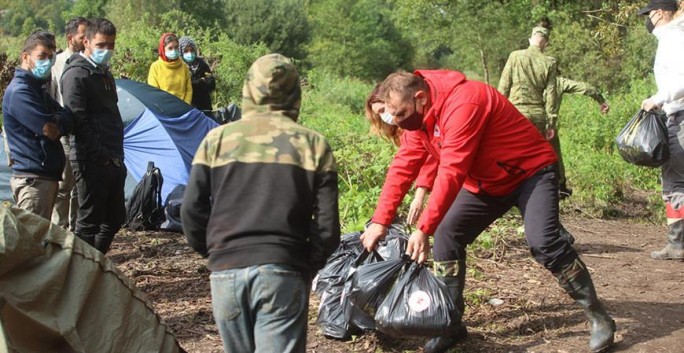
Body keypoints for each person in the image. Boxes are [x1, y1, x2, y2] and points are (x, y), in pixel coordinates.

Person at [361, 71, 615, 353]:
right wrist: (380, 221)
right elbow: (404, 164)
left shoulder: (465, 102)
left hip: (530, 172)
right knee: (448, 236)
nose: (396, 121)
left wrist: (423, 228)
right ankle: (450, 325)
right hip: (487, 182)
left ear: (420, 98)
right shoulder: (418, 118)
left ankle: (597, 314)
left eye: (400, 113)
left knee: (545, 243)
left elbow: (452, 169)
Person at [181, 53, 340, 353]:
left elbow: (191, 211)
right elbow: (328, 226)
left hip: (226, 274)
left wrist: (216, 252)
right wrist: (306, 264)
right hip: (283, 270)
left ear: (249, 90)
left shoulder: (216, 140)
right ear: (295, 93)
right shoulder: (313, 145)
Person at [61, 18, 126, 254]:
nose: (106, 50)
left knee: (115, 217)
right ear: (86, 41)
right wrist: (100, 154)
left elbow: (111, 113)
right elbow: (78, 119)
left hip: (113, 154)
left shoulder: (103, 72)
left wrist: (115, 153)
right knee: (88, 221)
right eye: (101, 45)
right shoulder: (76, 74)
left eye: (110, 45)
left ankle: (96, 263)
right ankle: (81, 273)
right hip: (90, 158)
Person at [2, 30, 73, 219]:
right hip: (33, 181)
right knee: (31, 243)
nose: (47, 62)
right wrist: (58, 121)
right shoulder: (20, 92)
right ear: (26, 57)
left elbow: (67, 116)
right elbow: (49, 130)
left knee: (40, 241)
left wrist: (59, 120)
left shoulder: (37, 89)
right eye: (42, 56)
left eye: (50, 57)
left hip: (44, 177)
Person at [638, 0, 684, 261]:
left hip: (681, 115)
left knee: (676, 181)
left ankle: (677, 244)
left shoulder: (673, 37)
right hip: (677, 114)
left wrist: (659, 98)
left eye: (648, 14)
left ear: (658, 13)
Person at [365, 84, 437, 225]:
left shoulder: (416, 122)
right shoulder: (401, 130)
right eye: (379, 113)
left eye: (383, 109)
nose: (384, 116)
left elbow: (431, 158)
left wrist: (419, 195)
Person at [49, 17, 88, 230]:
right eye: (83, 36)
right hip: (65, 133)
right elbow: (52, 98)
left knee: (80, 186)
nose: (86, 41)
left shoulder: (90, 62)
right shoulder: (56, 63)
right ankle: (60, 229)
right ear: (71, 38)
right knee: (64, 185)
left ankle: (76, 230)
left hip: (84, 132)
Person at [552, 76, 610, 197]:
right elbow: (586, 88)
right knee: (555, 155)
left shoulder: (529, 79)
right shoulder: (557, 82)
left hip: (525, 122)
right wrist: (601, 100)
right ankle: (561, 187)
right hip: (547, 126)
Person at [147, 33, 192, 104]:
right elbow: (154, 91)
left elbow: (189, 89)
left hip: (183, 109)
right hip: (163, 109)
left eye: (176, 47)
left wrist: (185, 105)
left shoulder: (183, 66)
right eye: (170, 48)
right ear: (163, 49)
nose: (174, 50)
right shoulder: (156, 67)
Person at [179, 36, 215, 112]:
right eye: (186, 51)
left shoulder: (202, 64)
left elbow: (211, 83)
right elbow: (184, 87)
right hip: (189, 108)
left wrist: (194, 84)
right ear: (181, 52)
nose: (189, 53)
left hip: (205, 106)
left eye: (191, 50)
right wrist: (201, 81)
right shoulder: (180, 67)